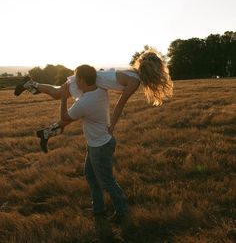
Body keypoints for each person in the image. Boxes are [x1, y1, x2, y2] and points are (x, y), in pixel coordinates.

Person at [15, 48, 173, 137]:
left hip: (90, 77)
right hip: (87, 79)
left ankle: (53, 125)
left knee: (61, 95)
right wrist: (112, 127)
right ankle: (32, 88)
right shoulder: (134, 81)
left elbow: (113, 84)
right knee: (58, 94)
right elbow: (120, 106)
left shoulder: (131, 73)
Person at [57, 64, 129, 223]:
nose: (75, 82)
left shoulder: (84, 103)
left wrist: (63, 96)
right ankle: (98, 208)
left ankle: (123, 211)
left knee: (107, 181)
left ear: (82, 81)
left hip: (99, 146)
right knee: (91, 176)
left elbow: (64, 118)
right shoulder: (101, 89)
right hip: (98, 143)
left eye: (77, 79)